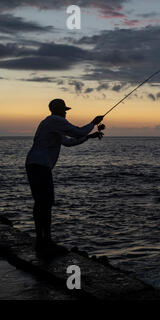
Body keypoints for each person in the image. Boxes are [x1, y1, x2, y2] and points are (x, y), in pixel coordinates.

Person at [25, 98, 104, 253]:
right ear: (59, 110)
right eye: (64, 110)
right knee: (45, 203)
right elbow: (78, 131)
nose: (66, 113)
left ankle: (41, 240)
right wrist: (93, 122)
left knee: (40, 202)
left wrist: (89, 137)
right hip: (40, 165)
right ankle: (45, 240)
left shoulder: (51, 123)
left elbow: (68, 142)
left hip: (34, 164)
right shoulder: (56, 120)